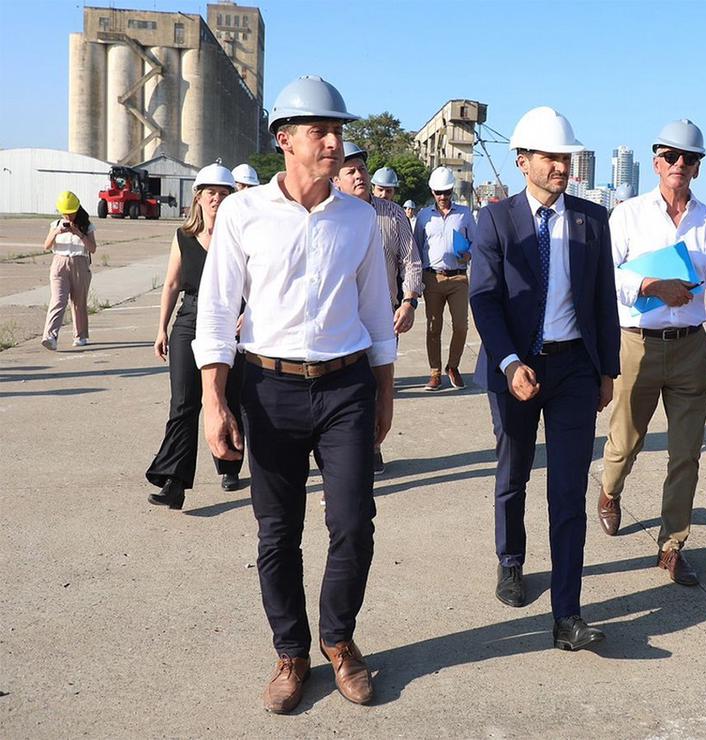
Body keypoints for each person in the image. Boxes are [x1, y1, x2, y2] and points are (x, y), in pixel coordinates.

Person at [194, 75, 395, 713]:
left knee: (354, 523)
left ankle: (339, 641)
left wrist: (384, 391)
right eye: (322, 131)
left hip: (345, 386)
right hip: (268, 387)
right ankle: (291, 652)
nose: (336, 141)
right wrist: (214, 400)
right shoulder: (243, 214)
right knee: (277, 532)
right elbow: (219, 311)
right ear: (285, 140)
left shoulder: (360, 217)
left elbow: (375, 310)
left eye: (338, 130)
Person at [469, 106, 619, 651]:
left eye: (567, 158)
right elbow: (483, 299)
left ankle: (568, 615)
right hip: (516, 369)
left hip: (575, 368)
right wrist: (510, 363)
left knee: (568, 492)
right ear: (522, 161)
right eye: (551, 157)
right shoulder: (495, 220)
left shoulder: (591, 221)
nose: (562, 167)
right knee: (514, 473)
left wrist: (608, 370)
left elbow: (603, 300)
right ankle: (511, 560)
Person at [599, 119, 706, 586]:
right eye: (671, 156)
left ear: (698, 168)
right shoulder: (628, 215)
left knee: (686, 453)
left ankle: (672, 544)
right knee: (627, 441)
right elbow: (605, 275)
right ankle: (609, 490)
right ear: (656, 161)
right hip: (635, 344)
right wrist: (648, 284)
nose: (680, 164)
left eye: (690, 158)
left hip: (690, 349)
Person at [146, 164, 245, 509]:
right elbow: (172, 283)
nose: (216, 199)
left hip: (231, 321)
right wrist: (162, 327)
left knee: (228, 398)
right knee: (183, 404)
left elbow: (258, 283)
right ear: (198, 197)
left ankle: (230, 465)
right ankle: (174, 481)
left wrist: (248, 316)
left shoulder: (239, 236)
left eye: (223, 194)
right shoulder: (184, 237)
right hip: (189, 319)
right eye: (210, 193)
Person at [334, 141, 422, 474]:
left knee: (376, 382)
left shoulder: (392, 213)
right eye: (350, 171)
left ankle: (372, 445)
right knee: (341, 387)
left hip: (383, 316)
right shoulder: (330, 213)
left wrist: (410, 301)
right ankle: (345, 451)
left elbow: (411, 261)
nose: (359, 176)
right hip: (340, 318)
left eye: (362, 170)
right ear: (337, 179)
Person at [414, 166, 477, 391]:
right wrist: (416, 281)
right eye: (439, 192)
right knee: (433, 327)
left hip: (458, 278)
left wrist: (469, 253)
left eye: (447, 192)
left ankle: (453, 366)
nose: (443, 197)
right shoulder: (423, 216)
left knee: (461, 326)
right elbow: (416, 247)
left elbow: (477, 243)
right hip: (432, 278)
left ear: (453, 190)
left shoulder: (465, 214)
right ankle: (435, 373)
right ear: (432, 192)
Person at [40, 191, 97, 350]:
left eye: (71, 213)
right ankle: (50, 336)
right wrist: (57, 231)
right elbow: (46, 246)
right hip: (59, 263)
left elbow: (92, 248)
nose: (68, 217)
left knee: (79, 302)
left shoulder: (87, 225)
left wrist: (78, 233)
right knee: (58, 300)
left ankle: (80, 336)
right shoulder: (55, 224)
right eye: (65, 214)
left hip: (80, 263)